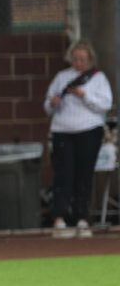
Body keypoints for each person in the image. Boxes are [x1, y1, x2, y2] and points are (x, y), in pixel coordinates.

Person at [44, 40, 113, 238]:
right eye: (75, 59)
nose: (78, 63)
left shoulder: (98, 78)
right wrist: (54, 102)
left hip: (88, 130)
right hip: (63, 130)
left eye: (82, 59)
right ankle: (60, 219)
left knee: (84, 174)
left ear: (90, 59)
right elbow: (47, 106)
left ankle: (82, 218)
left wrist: (85, 96)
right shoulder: (61, 77)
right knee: (63, 175)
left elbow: (105, 104)